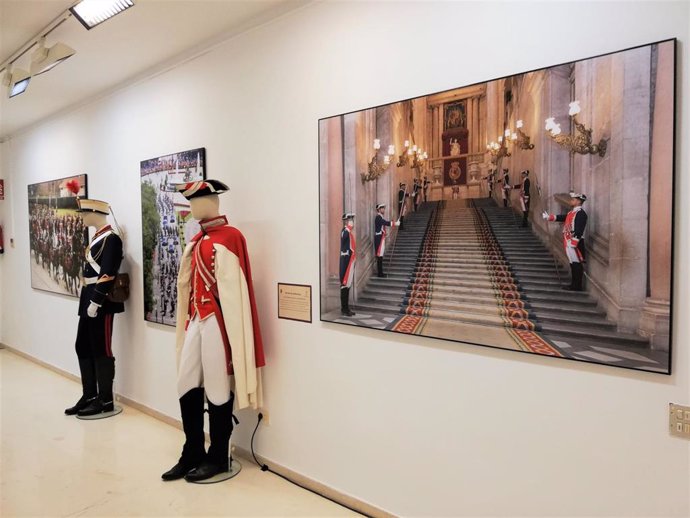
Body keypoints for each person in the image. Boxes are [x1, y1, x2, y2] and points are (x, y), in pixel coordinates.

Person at [162, 179, 265, 482]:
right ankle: (193, 449)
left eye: (196, 201)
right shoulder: (198, 239)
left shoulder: (231, 237)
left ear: (211, 202)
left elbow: (237, 292)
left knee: (218, 385)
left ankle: (219, 454)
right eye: (190, 202)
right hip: (197, 317)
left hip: (217, 320)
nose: (192, 207)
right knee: (185, 381)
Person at [65, 198, 124, 417]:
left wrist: (96, 301)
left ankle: (105, 399)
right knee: (82, 345)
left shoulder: (112, 239)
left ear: (95, 213)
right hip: (87, 299)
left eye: (84, 213)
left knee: (102, 348)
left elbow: (108, 272)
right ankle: (89, 395)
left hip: (102, 302)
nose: (81, 217)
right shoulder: (98, 238)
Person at [542, 192, 588, 291]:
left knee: (576, 264)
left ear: (578, 201)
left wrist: (574, 243)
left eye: (573, 199)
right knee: (572, 263)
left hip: (574, 243)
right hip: (568, 241)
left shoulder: (581, 214)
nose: (571, 201)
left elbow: (579, 230)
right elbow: (562, 217)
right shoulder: (572, 213)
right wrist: (549, 217)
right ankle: (574, 284)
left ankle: (577, 285)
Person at [374, 204, 400, 277]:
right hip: (379, 239)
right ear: (378, 210)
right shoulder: (378, 217)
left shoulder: (380, 217)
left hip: (381, 238)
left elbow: (384, 223)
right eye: (382, 208)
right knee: (379, 256)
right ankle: (380, 273)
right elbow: (385, 223)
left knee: (380, 256)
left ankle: (380, 272)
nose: (383, 210)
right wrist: (395, 223)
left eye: (383, 208)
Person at [339, 213, 356, 316]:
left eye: (352, 219)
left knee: (347, 285)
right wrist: (349, 227)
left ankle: (346, 308)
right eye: (350, 219)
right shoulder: (344, 231)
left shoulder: (349, 232)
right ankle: (344, 309)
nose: (351, 221)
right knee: (344, 285)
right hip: (345, 262)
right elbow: (344, 237)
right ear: (345, 221)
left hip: (349, 260)